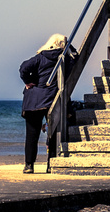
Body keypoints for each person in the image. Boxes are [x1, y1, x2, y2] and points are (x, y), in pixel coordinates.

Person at [18, 33, 80, 174]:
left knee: (32, 134)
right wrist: (68, 44)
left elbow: (23, 68)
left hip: (34, 99)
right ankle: (50, 164)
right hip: (53, 98)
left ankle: (29, 165)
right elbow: (77, 55)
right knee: (52, 134)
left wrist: (28, 82)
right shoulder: (66, 59)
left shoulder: (41, 57)